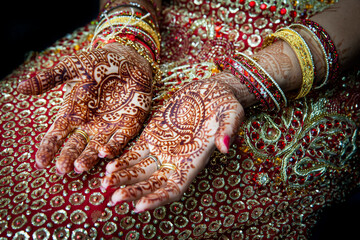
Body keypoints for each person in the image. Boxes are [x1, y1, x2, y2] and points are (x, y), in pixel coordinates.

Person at [1, 0, 359, 239]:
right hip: (160, 25)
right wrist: (127, 37)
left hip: (303, 61)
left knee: (78, 212)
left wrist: (243, 82)